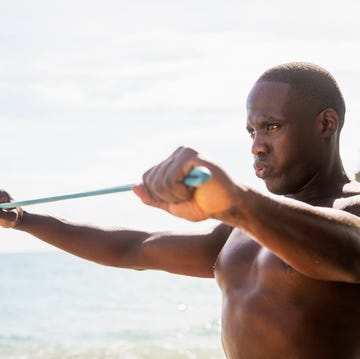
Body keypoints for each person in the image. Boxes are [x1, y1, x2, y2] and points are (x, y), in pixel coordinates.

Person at [1, 62, 359, 358]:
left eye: (272, 127)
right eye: (251, 131)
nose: (256, 146)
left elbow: (349, 248)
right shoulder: (240, 229)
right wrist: (23, 220)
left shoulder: (351, 208)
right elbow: (132, 249)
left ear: (326, 124)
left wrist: (237, 203)